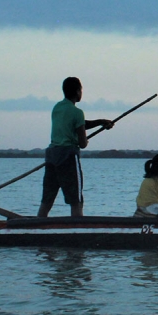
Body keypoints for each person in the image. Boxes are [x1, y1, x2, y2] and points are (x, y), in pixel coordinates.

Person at [38, 77, 113, 218]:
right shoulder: (77, 112)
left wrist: (100, 122)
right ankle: (77, 227)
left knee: (47, 199)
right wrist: (84, 141)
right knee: (76, 201)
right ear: (78, 91)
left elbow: (78, 123)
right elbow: (83, 143)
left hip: (52, 156)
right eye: (81, 90)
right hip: (68, 157)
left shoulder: (57, 108)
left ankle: (37, 225)